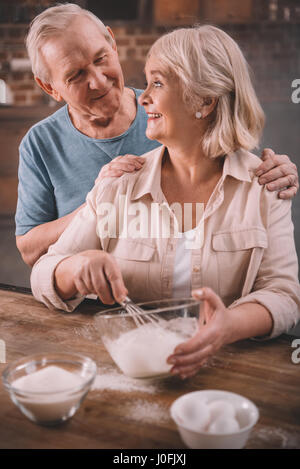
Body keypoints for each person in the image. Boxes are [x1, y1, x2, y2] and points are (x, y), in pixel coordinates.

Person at [31, 25, 300, 379]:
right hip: (132, 371)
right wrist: (77, 268)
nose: (142, 98)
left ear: (205, 100)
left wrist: (229, 324)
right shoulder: (120, 183)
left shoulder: (264, 185)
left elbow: (284, 293)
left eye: (157, 83)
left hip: (229, 378)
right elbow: (42, 273)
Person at [16, 3, 299, 268]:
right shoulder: (40, 143)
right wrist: (99, 204)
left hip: (173, 292)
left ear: (113, 44)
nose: (98, 81)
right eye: (76, 75)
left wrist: (271, 173)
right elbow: (30, 249)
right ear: (49, 87)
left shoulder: (169, 115)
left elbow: (232, 175)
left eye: (101, 58)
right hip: (84, 304)